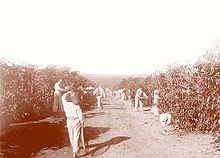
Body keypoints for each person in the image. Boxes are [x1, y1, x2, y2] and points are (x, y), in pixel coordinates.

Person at [62, 89, 84, 158]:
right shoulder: (77, 106)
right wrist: (82, 122)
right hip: (76, 121)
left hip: (69, 120)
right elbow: (80, 116)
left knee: (71, 135)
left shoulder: (66, 104)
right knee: (76, 136)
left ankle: (74, 147)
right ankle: (75, 151)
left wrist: (68, 92)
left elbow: (62, 97)